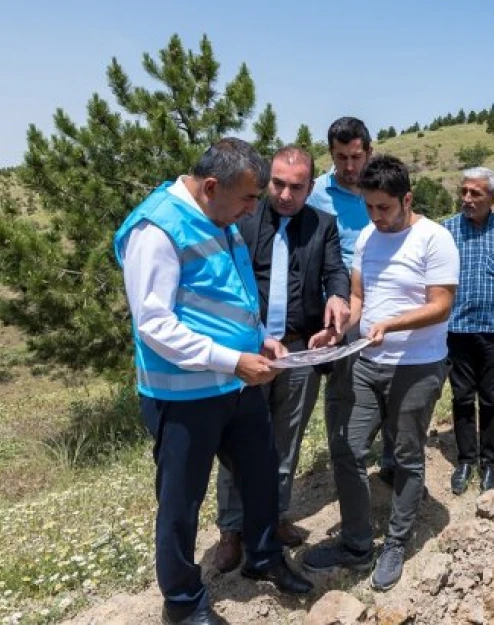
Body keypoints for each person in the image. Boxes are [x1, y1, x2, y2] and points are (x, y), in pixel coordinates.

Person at [113, 138, 311, 625]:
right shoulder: (156, 228)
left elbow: (232, 291)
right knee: (181, 503)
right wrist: (230, 360)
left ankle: (263, 558)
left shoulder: (221, 217)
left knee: (261, 475)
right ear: (209, 186)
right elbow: (154, 325)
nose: (253, 208)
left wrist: (261, 339)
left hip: (235, 385)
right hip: (183, 396)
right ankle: (182, 604)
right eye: (247, 198)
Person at [302, 155, 459, 592]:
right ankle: (355, 542)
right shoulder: (369, 236)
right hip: (367, 363)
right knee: (348, 447)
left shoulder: (435, 239)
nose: (375, 216)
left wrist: (391, 324)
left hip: (417, 366)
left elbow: (441, 304)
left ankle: (396, 540)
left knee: (407, 454)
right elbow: (357, 295)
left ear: (407, 199)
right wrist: (339, 329)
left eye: (384, 208)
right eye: (369, 207)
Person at [212, 146, 351, 573]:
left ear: (311, 187)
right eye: (278, 184)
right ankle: (232, 529)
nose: (286, 194)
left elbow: (336, 270)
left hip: (299, 350)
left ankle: (274, 515)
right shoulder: (242, 218)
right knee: (238, 444)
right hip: (248, 351)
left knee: (284, 440)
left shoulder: (322, 225)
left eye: (296, 186)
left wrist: (338, 296)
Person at [307, 117, 397, 483]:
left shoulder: (381, 188)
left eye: (355, 156)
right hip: (341, 305)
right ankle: (344, 455)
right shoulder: (315, 194)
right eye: (340, 156)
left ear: (368, 152)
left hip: (387, 302)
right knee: (343, 387)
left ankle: (394, 461)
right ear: (331, 153)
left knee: (393, 383)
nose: (349, 166)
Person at [442, 167, 494, 494]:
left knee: (491, 398)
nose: (467, 199)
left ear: (492, 197)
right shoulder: (446, 230)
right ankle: (466, 460)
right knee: (462, 397)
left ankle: (489, 463)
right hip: (456, 330)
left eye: (475, 193)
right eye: (463, 191)